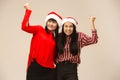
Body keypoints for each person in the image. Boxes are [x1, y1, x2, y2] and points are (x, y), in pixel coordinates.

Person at [21, 3, 62, 80]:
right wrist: (28, 11)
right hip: (35, 67)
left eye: (54, 22)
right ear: (46, 22)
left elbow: (55, 57)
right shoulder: (39, 30)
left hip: (49, 71)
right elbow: (24, 27)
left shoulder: (56, 38)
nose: (51, 24)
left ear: (57, 25)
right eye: (50, 21)